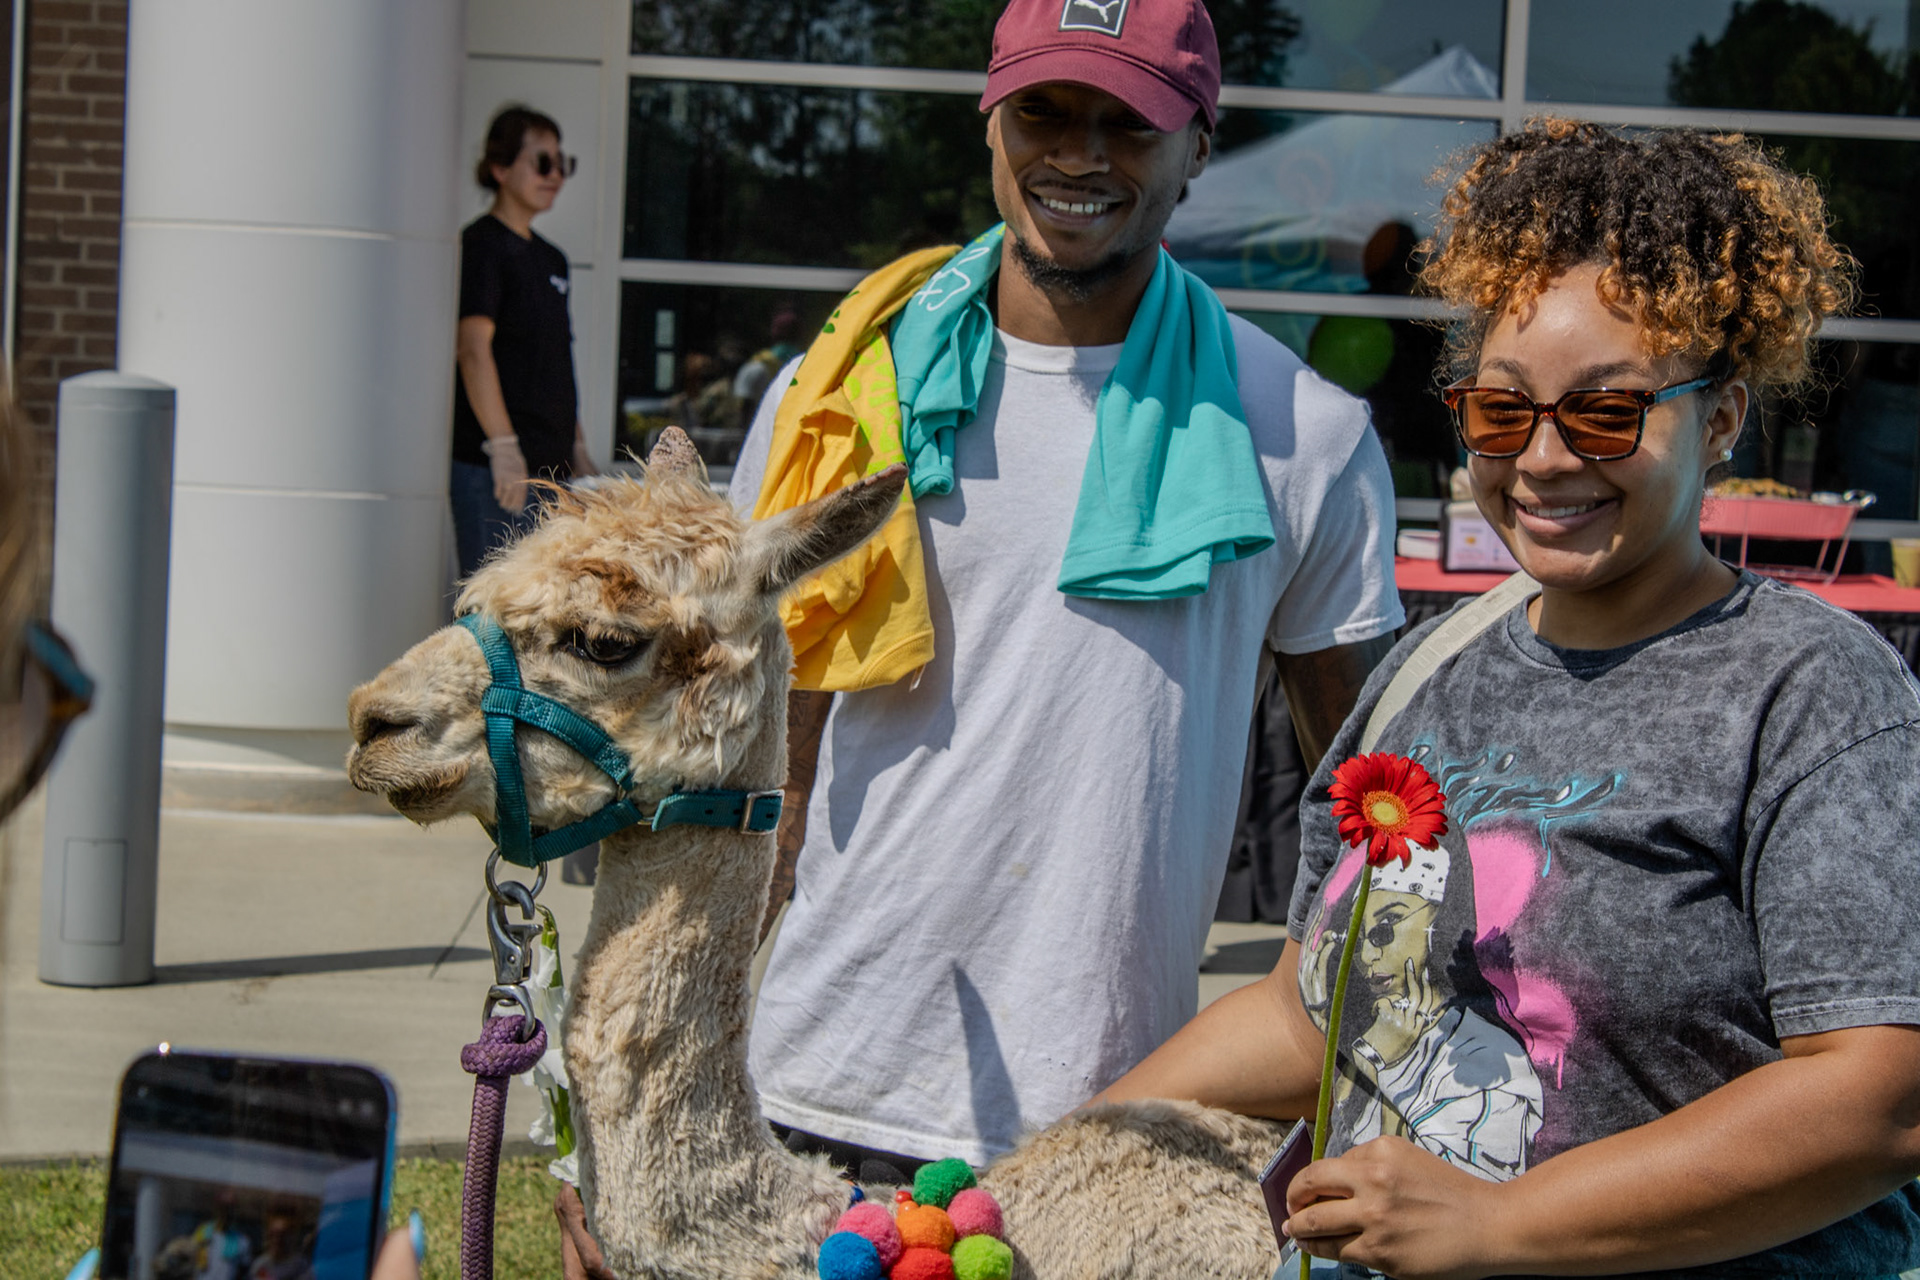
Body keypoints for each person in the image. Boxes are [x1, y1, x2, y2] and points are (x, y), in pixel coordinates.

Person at [1097, 118, 1920, 1278]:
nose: (1540, 458)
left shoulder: (1811, 690)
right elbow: (1307, 1011)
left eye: (1604, 411)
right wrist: (1068, 1151)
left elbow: (1878, 1095)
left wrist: (1499, 1223)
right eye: (1500, 408)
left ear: (1724, 415)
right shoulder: (1427, 670)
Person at [727, 0, 1403, 1177]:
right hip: (811, 1076)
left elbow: (1368, 809)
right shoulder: (835, 395)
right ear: (991, 125)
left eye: (1129, 123)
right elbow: (746, 759)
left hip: (1111, 1114)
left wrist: (1346, 1091)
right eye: (1045, 111)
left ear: (1197, 146)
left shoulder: (1306, 435)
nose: (1081, 155)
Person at [449, 104, 597, 580]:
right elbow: (473, 349)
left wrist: (577, 445)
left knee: (545, 617)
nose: (555, 175)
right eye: (542, 162)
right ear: (500, 167)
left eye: (562, 163)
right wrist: (503, 448)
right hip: (500, 474)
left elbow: (556, 361)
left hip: (552, 474)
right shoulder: (482, 246)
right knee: (496, 614)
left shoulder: (553, 260)